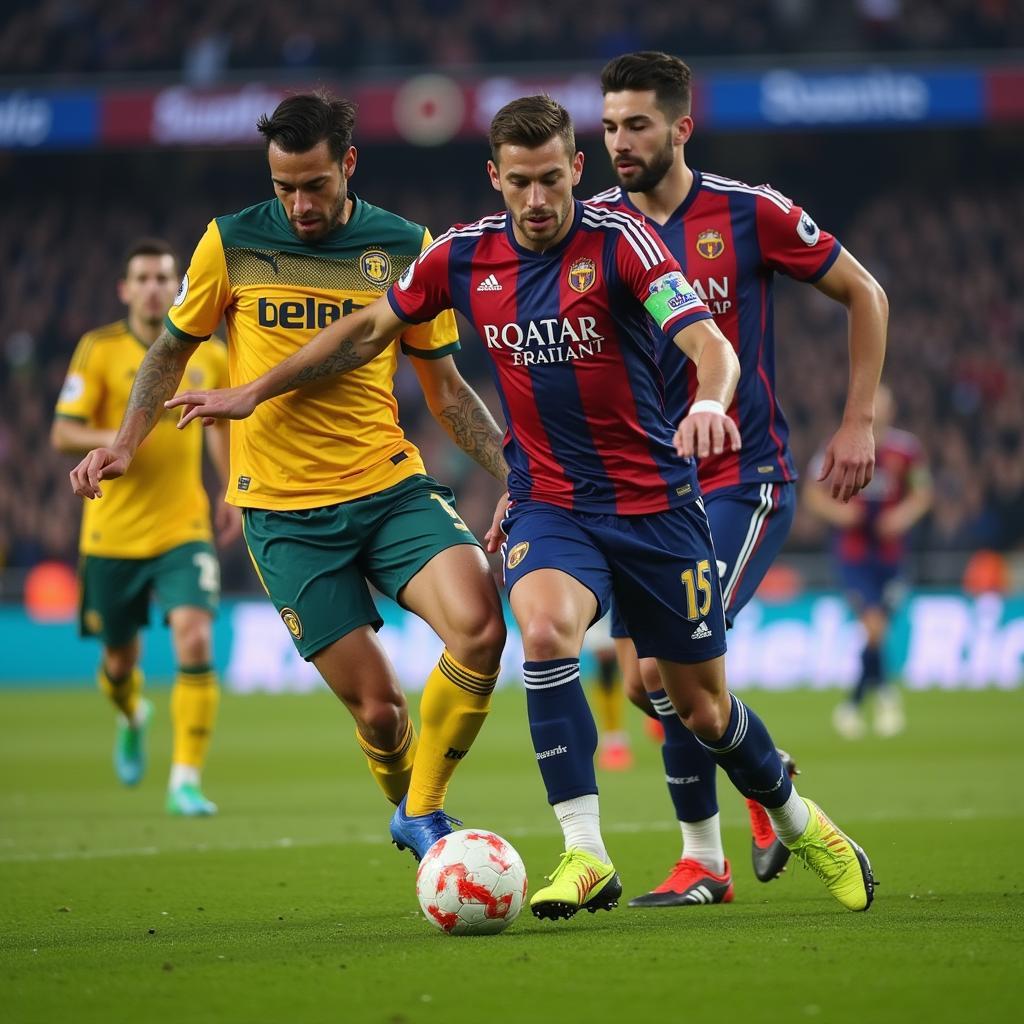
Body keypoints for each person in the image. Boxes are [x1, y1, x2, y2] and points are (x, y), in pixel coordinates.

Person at [153, 95, 876, 920]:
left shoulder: (624, 245)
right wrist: (253, 388)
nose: (537, 201)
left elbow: (708, 341)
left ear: (576, 170)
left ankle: (803, 821)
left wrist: (711, 401)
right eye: (519, 183)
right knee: (537, 632)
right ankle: (584, 852)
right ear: (495, 178)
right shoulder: (460, 256)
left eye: (551, 181)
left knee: (701, 708)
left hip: (655, 507)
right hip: (551, 503)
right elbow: (364, 331)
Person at [69, 93, 508, 860]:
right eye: (284, 188)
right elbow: (169, 351)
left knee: (481, 628)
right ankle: (418, 817)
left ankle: (425, 814)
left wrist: (519, 471)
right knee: (380, 714)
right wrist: (126, 443)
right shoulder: (229, 242)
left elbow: (443, 388)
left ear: (349, 164)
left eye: (315, 185)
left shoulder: (406, 247)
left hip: (388, 486)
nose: (300, 204)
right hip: (283, 515)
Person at [588, 50, 888, 906]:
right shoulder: (595, 225)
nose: (619, 142)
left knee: (660, 674)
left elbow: (865, 292)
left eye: (637, 124)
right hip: (643, 491)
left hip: (740, 482)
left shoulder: (746, 212)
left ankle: (729, 827)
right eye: (608, 126)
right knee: (667, 683)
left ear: (682, 126)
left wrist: (857, 418)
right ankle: (726, 829)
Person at [52, 238, 241, 815]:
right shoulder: (99, 349)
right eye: (145, 278)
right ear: (126, 289)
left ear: (176, 287)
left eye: (165, 277)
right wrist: (120, 437)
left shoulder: (203, 351)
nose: (156, 287)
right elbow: (64, 432)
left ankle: (185, 779)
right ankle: (133, 713)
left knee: (196, 634)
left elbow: (214, 425)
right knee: (119, 665)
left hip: (182, 526)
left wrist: (230, 486)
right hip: (111, 531)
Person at [805, 383, 932, 739]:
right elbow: (814, 494)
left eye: (884, 403)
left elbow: (922, 494)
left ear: (891, 410)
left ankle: (856, 703)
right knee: (874, 627)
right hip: (854, 554)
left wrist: (902, 517)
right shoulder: (839, 444)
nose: (878, 409)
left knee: (878, 631)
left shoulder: (907, 450)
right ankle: (884, 696)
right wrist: (840, 514)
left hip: (892, 553)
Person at [583, 613, 632, 771]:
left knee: (613, 671)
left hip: (617, 606)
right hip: (599, 607)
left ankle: (614, 737)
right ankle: (612, 736)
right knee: (605, 669)